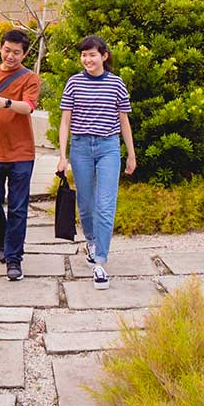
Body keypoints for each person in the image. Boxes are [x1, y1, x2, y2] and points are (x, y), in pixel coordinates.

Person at [55, 35, 136, 289]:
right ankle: (91, 241)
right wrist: (62, 155)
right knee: (87, 204)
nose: (87, 59)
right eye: (83, 55)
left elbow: (124, 120)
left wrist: (131, 154)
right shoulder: (74, 83)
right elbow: (65, 121)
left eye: (92, 54)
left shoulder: (116, 84)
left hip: (108, 147)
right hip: (80, 148)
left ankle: (100, 261)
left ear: (104, 56)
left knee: (106, 204)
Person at [0, 29, 43, 281]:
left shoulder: (30, 78)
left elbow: (28, 107)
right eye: (7, 50)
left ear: (24, 54)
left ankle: (14, 259)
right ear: (0, 48)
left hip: (22, 152)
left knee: (17, 207)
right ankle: (2, 240)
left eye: (16, 52)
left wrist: (7, 103)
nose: (11, 56)